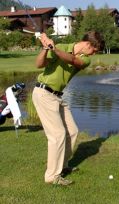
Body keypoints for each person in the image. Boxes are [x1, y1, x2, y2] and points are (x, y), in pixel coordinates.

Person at [32, 31, 103, 186]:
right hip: (43, 93)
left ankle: (62, 166)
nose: (94, 54)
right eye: (94, 50)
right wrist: (45, 48)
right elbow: (38, 64)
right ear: (87, 44)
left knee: (72, 131)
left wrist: (54, 48)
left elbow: (72, 60)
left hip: (57, 96)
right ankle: (52, 176)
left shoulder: (85, 59)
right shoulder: (62, 46)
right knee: (57, 135)